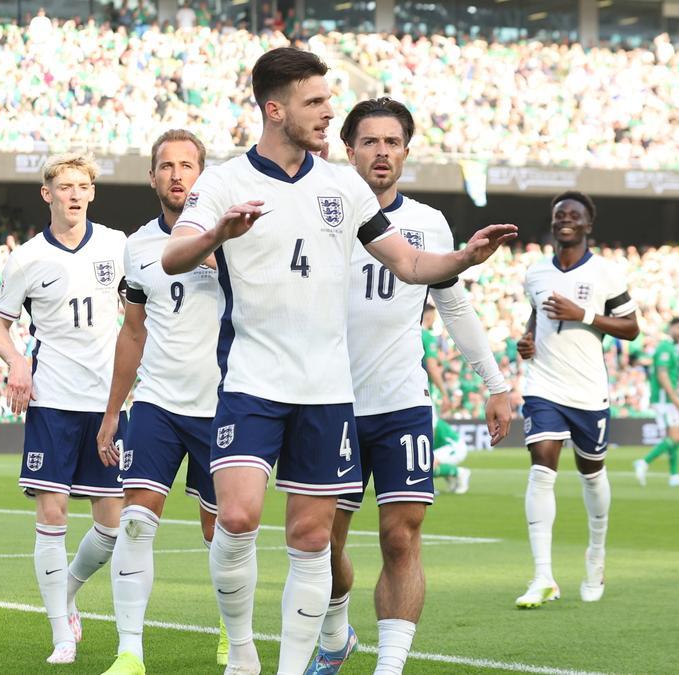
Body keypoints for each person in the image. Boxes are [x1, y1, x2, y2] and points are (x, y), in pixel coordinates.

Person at [160, 47, 516, 675]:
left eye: (329, 99)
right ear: (276, 109)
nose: (330, 112)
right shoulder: (224, 182)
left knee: (311, 540)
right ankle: (242, 651)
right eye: (317, 102)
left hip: (328, 392)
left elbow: (409, 264)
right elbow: (173, 256)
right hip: (252, 380)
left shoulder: (342, 185)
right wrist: (219, 234)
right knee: (237, 517)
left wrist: (463, 258)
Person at [307, 97, 513, 675]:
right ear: (348, 150)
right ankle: (335, 631)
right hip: (330, 403)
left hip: (401, 403)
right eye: (369, 142)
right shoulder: (321, 213)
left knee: (402, 537)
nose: (381, 152)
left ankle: (389, 667)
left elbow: (452, 303)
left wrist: (495, 384)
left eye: (392, 142)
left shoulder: (427, 222)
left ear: (405, 152)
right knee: (320, 542)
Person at [0, 152, 128, 665]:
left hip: (107, 404)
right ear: (47, 194)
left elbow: (138, 313)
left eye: (82, 186)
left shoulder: (118, 246)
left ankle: (66, 590)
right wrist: (17, 363)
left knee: (112, 528)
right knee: (51, 514)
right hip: (50, 401)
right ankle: (61, 634)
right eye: (64, 186)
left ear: (92, 193)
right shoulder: (26, 258)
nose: (74, 193)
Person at [97, 130, 226, 675]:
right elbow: (133, 333)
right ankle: (130, 652)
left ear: (203, 175)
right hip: (156, 404)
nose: (177, 174)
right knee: (135, 522)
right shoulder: (137, 246)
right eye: (166, 166)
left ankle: (232, 634)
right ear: (152, 177)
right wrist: (112, 414)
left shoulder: (232, 240)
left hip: (223, 404)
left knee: (223, 532)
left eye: (187, 165)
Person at [514, 191, 639, 608]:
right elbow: (536, 314)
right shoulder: (534, 273)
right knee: (541, 470)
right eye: (559, 215)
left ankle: (596, 554)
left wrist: (582, 314)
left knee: (591, 474)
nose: (565, 220)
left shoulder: (606, 273)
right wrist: (528, 340)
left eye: (574, 215)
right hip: (543, 386)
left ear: (588, 225)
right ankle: (542, 576)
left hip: (588, 391)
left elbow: (631, 327)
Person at [634, 318, 679, 487]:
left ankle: (674, 476)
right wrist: (675, 399)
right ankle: (644, 461)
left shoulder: (675, 348)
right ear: (670, 328)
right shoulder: (665, 347)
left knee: (673, 437)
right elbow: (662, 374)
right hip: (664, 399)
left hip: (668, 398)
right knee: (676, 437)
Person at [431, 416, 471, 494]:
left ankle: (460, 472)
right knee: (425, 463)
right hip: (445, 447)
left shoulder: (429, 418)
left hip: (454, 447)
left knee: (428, 464)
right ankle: (451, 478)